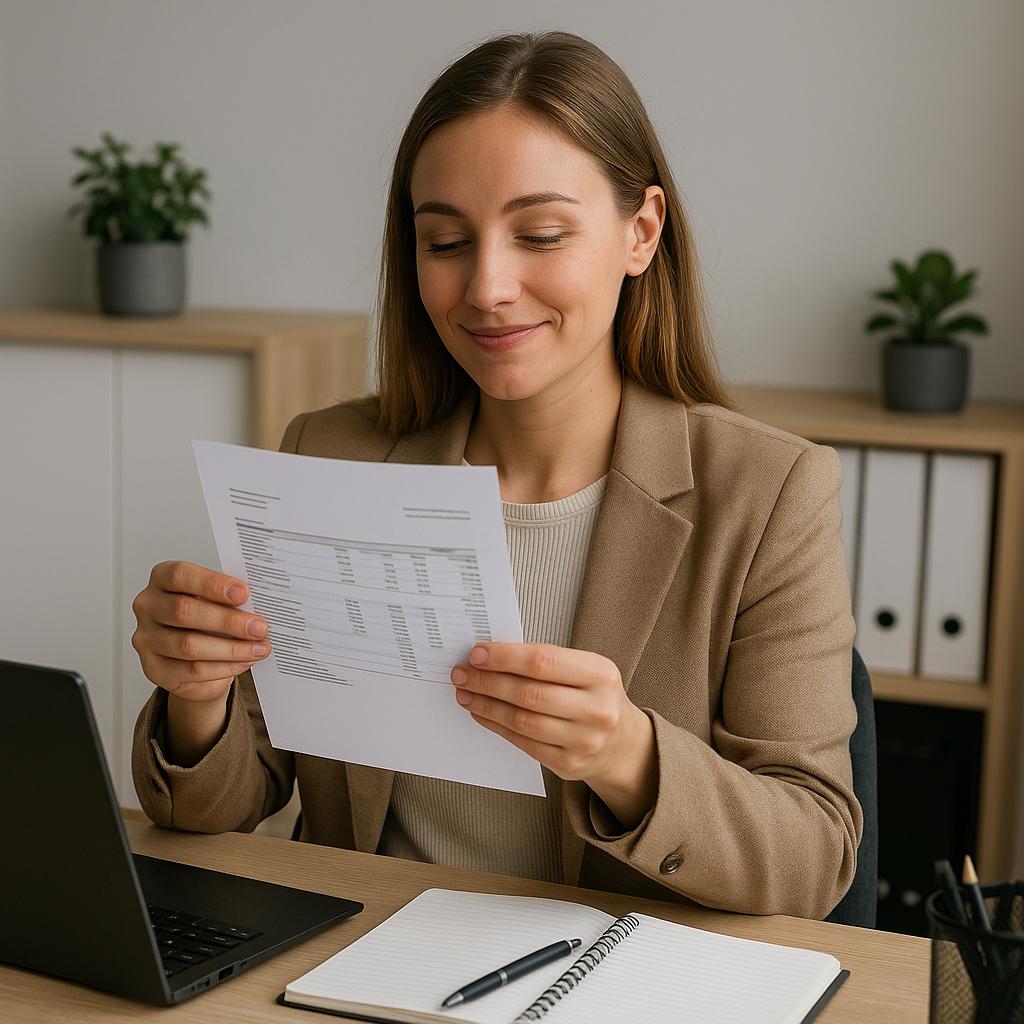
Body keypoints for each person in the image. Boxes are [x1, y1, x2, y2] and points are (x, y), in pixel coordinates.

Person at [130, 30, 861, 919]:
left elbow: (813, 860)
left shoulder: (768, 492)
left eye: (541, 234)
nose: (487, 286)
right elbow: (214, 808)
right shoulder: (330, 454)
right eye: (445, 243)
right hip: (350, 966)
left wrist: (626, 753)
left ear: (641, 232)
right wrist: (196, 698)